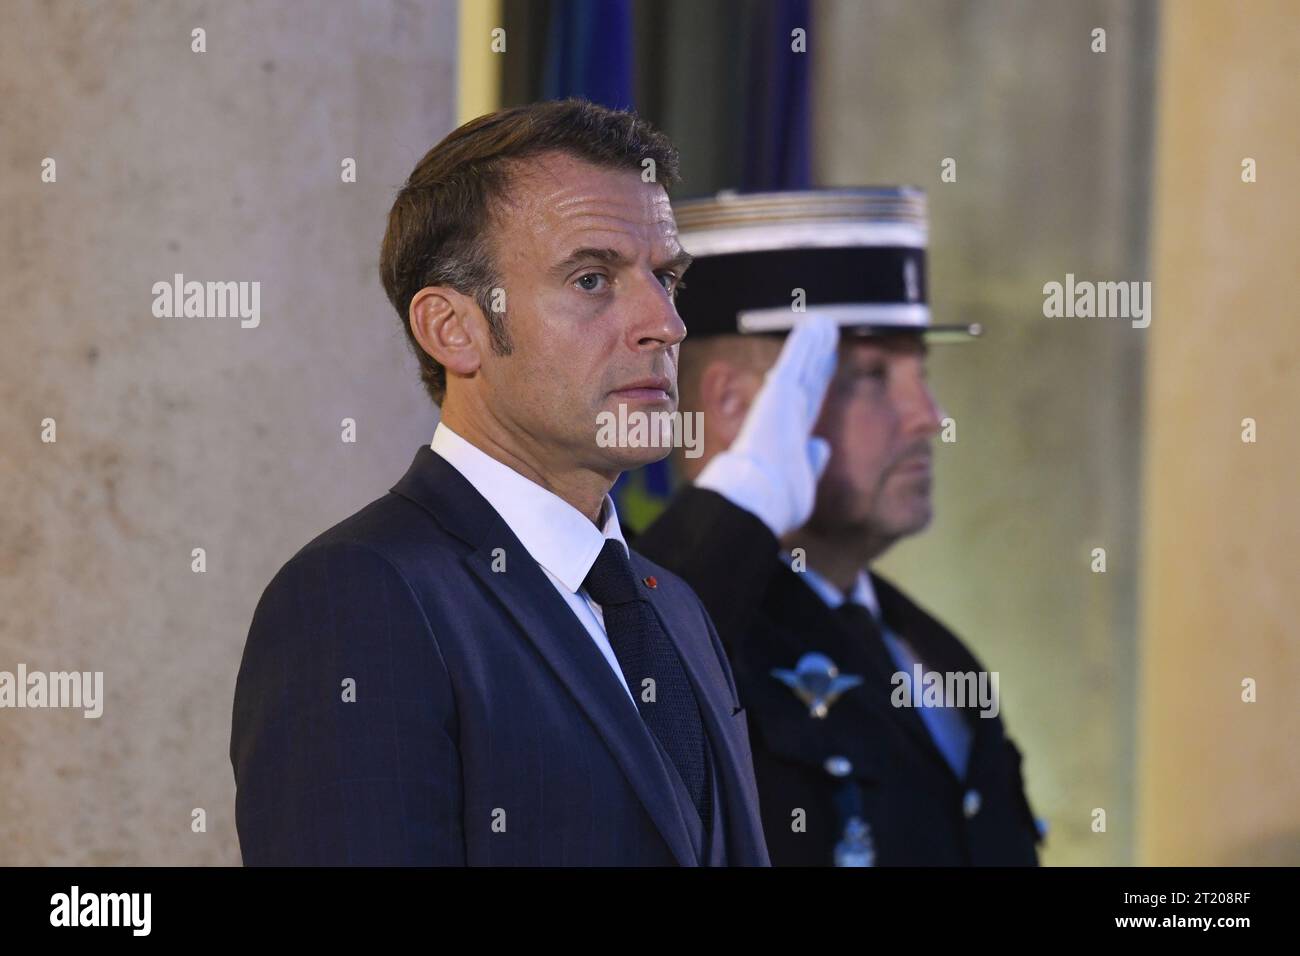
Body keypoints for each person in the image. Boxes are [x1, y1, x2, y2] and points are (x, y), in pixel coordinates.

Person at [229, 99, 769, 866]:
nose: (666, 323)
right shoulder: (357, 598)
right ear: (454, 330)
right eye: (592, 279)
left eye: (665, 277)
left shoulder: (674, 610)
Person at [635, 187, 1043, 865]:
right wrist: (736, 507)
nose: (927, 416)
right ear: (736, 406)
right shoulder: (674, 624)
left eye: (922, 371)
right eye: (870, 375)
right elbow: (618, 690)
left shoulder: (929, 649)